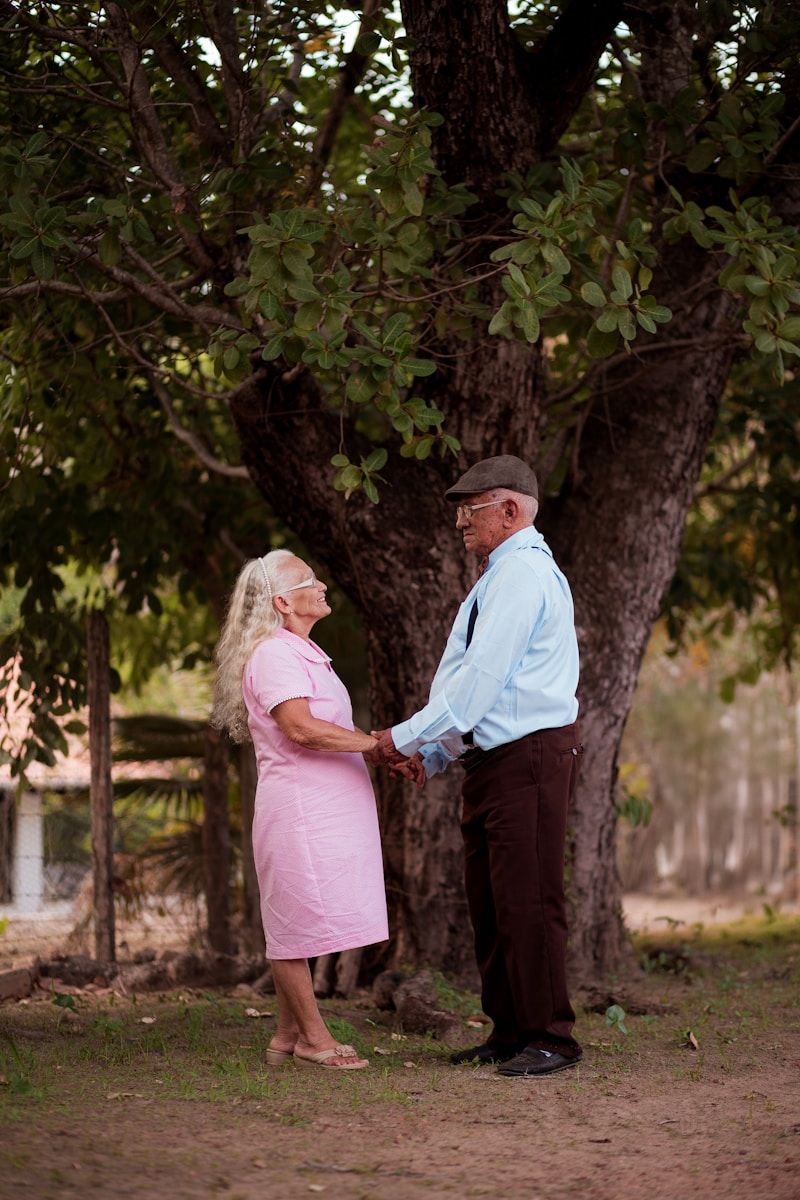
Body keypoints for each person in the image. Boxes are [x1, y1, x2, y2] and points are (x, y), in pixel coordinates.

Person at [371, 455, 583, 1077]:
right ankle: (511, 1030)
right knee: (490, 899)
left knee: (529, 897)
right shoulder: (498, 577)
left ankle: (552, 1037)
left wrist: (401, 739)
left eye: (472, 508)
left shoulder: (522, 576)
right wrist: (435, 752)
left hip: (530, 756)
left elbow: (481, 686)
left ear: (510, 509)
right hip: (493, 760)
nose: (461, 522)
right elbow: (475, 689)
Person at [213, 548, 391, 1070]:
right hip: (299, 811)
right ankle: (315, 1039)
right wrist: (376, 746)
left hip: (325, 810)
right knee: (293, 925)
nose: (322, 585)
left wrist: (376, 748)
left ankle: (286, 1037)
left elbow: (325, 728)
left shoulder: (302, 652)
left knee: (307, 916)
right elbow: (301, 728)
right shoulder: (273, 654)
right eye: (308, 580)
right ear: (282, 601)